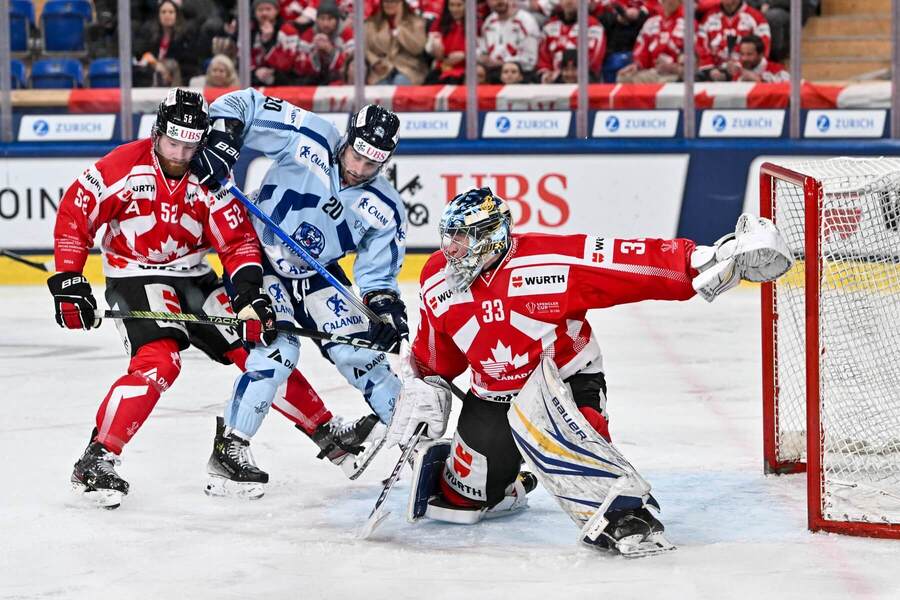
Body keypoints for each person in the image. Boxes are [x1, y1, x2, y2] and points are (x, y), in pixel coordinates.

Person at [391, 187, 792, 555]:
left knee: (583, 446)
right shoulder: (435, 279)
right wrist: (423, 380)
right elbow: (439, 351)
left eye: (464, 238)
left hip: (561, 384)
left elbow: (626, 260)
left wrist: (699, 259)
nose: (452, 249)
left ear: (494, 235)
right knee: (460, 502)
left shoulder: (548, 263)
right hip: (494, 393)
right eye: (449, 237)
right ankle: (508, 484)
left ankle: (626, 513)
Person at [49, 89, 348, 508]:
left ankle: (328, 433)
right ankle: (97, 457)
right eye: (173, 143)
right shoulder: (122, 165)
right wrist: (68, 278)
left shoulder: (211, 175)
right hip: (136, 275)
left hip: (196, 275)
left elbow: (238, 241)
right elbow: (75, 215)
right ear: (157, 133)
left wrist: (248, 296)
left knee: (260, 345)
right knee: (159, 361)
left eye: (191, 144)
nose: (181, 153)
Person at [190, 89, 409, 483]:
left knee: (359, 353)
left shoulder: (386, 206)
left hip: (317, 272)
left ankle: (419, 447)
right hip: (261, 257)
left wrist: (385, 308)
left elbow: (377, 275)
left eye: (372, 163)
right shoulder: (310, 134)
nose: (358, 168)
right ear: (347, 138)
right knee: (277, 351)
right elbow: (244, 104)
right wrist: (223, 133)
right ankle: (231, 446)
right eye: (356, 155)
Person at [364, 0, 428, 85]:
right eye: (386, 1)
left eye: (394, 1)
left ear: (402, 3)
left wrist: (398, 26)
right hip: (381, 71)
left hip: (407, 69)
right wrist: (374, 62)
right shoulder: (371, 23)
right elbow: (363, 47)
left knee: (400, 81)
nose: (389, 4)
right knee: (382, 87)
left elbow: (417, 48)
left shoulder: (416, 23)